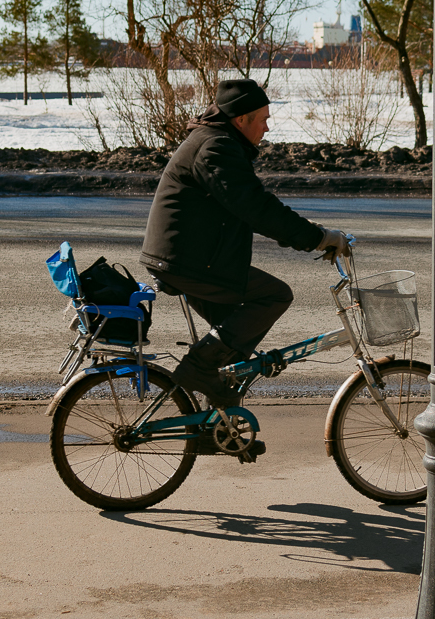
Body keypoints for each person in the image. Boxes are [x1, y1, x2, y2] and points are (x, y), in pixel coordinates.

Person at [141, 77, 350, 420]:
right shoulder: (216, 147)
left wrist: (311, 232)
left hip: (188, 256)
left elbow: (251, 206)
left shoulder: (217, 141)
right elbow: (255, 207)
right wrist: (316, 238)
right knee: (274, 295)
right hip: (187, 260)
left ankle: (217, 426)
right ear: (241, 119)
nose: (268, 128)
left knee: (235, 346)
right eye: (263, 119)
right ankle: (197, 369)